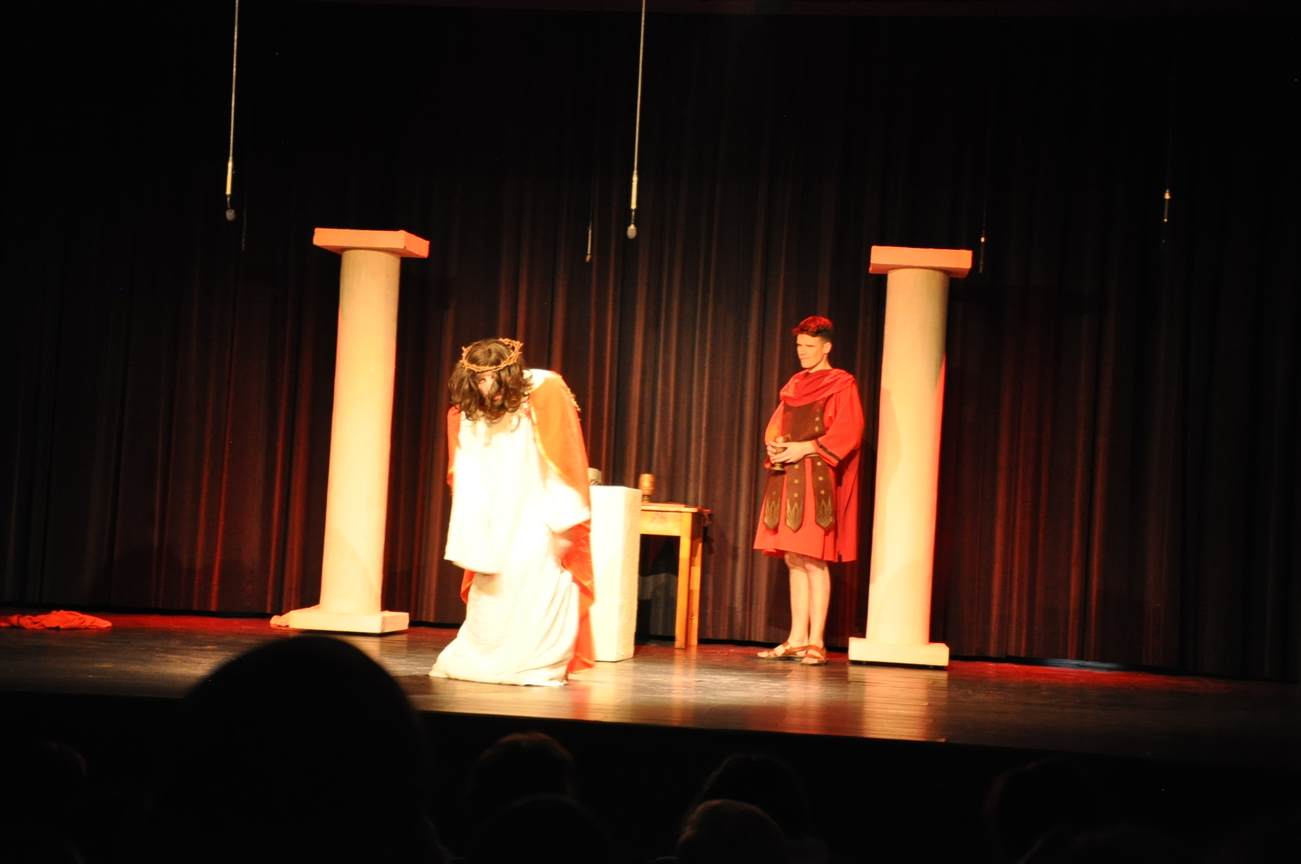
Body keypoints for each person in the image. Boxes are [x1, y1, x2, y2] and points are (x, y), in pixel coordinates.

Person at [429, 338, 595, 685]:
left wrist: (562, 523)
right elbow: (469, 477)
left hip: (537, 514)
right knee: (492, 595)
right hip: (494, 520)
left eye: (493, 378)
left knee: (536, 586)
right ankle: (479, 661)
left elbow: (561, 456)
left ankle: (534, 665)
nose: (487, 387)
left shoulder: (541, 391)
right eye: (480, 380)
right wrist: (474, 536)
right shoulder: (467, 414)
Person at [753, 317, 864, 666]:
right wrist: (775, 445)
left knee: (814, 559)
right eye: (799, 346)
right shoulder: (795, 385)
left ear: (826, 347)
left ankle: (817, 642)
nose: (802, 352)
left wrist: (806, 448)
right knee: (793, 557)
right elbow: (777, 425)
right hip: (787, 476)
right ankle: (797, 639)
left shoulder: (841, 383)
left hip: (816, 477)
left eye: (809, 346)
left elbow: (849, 430)